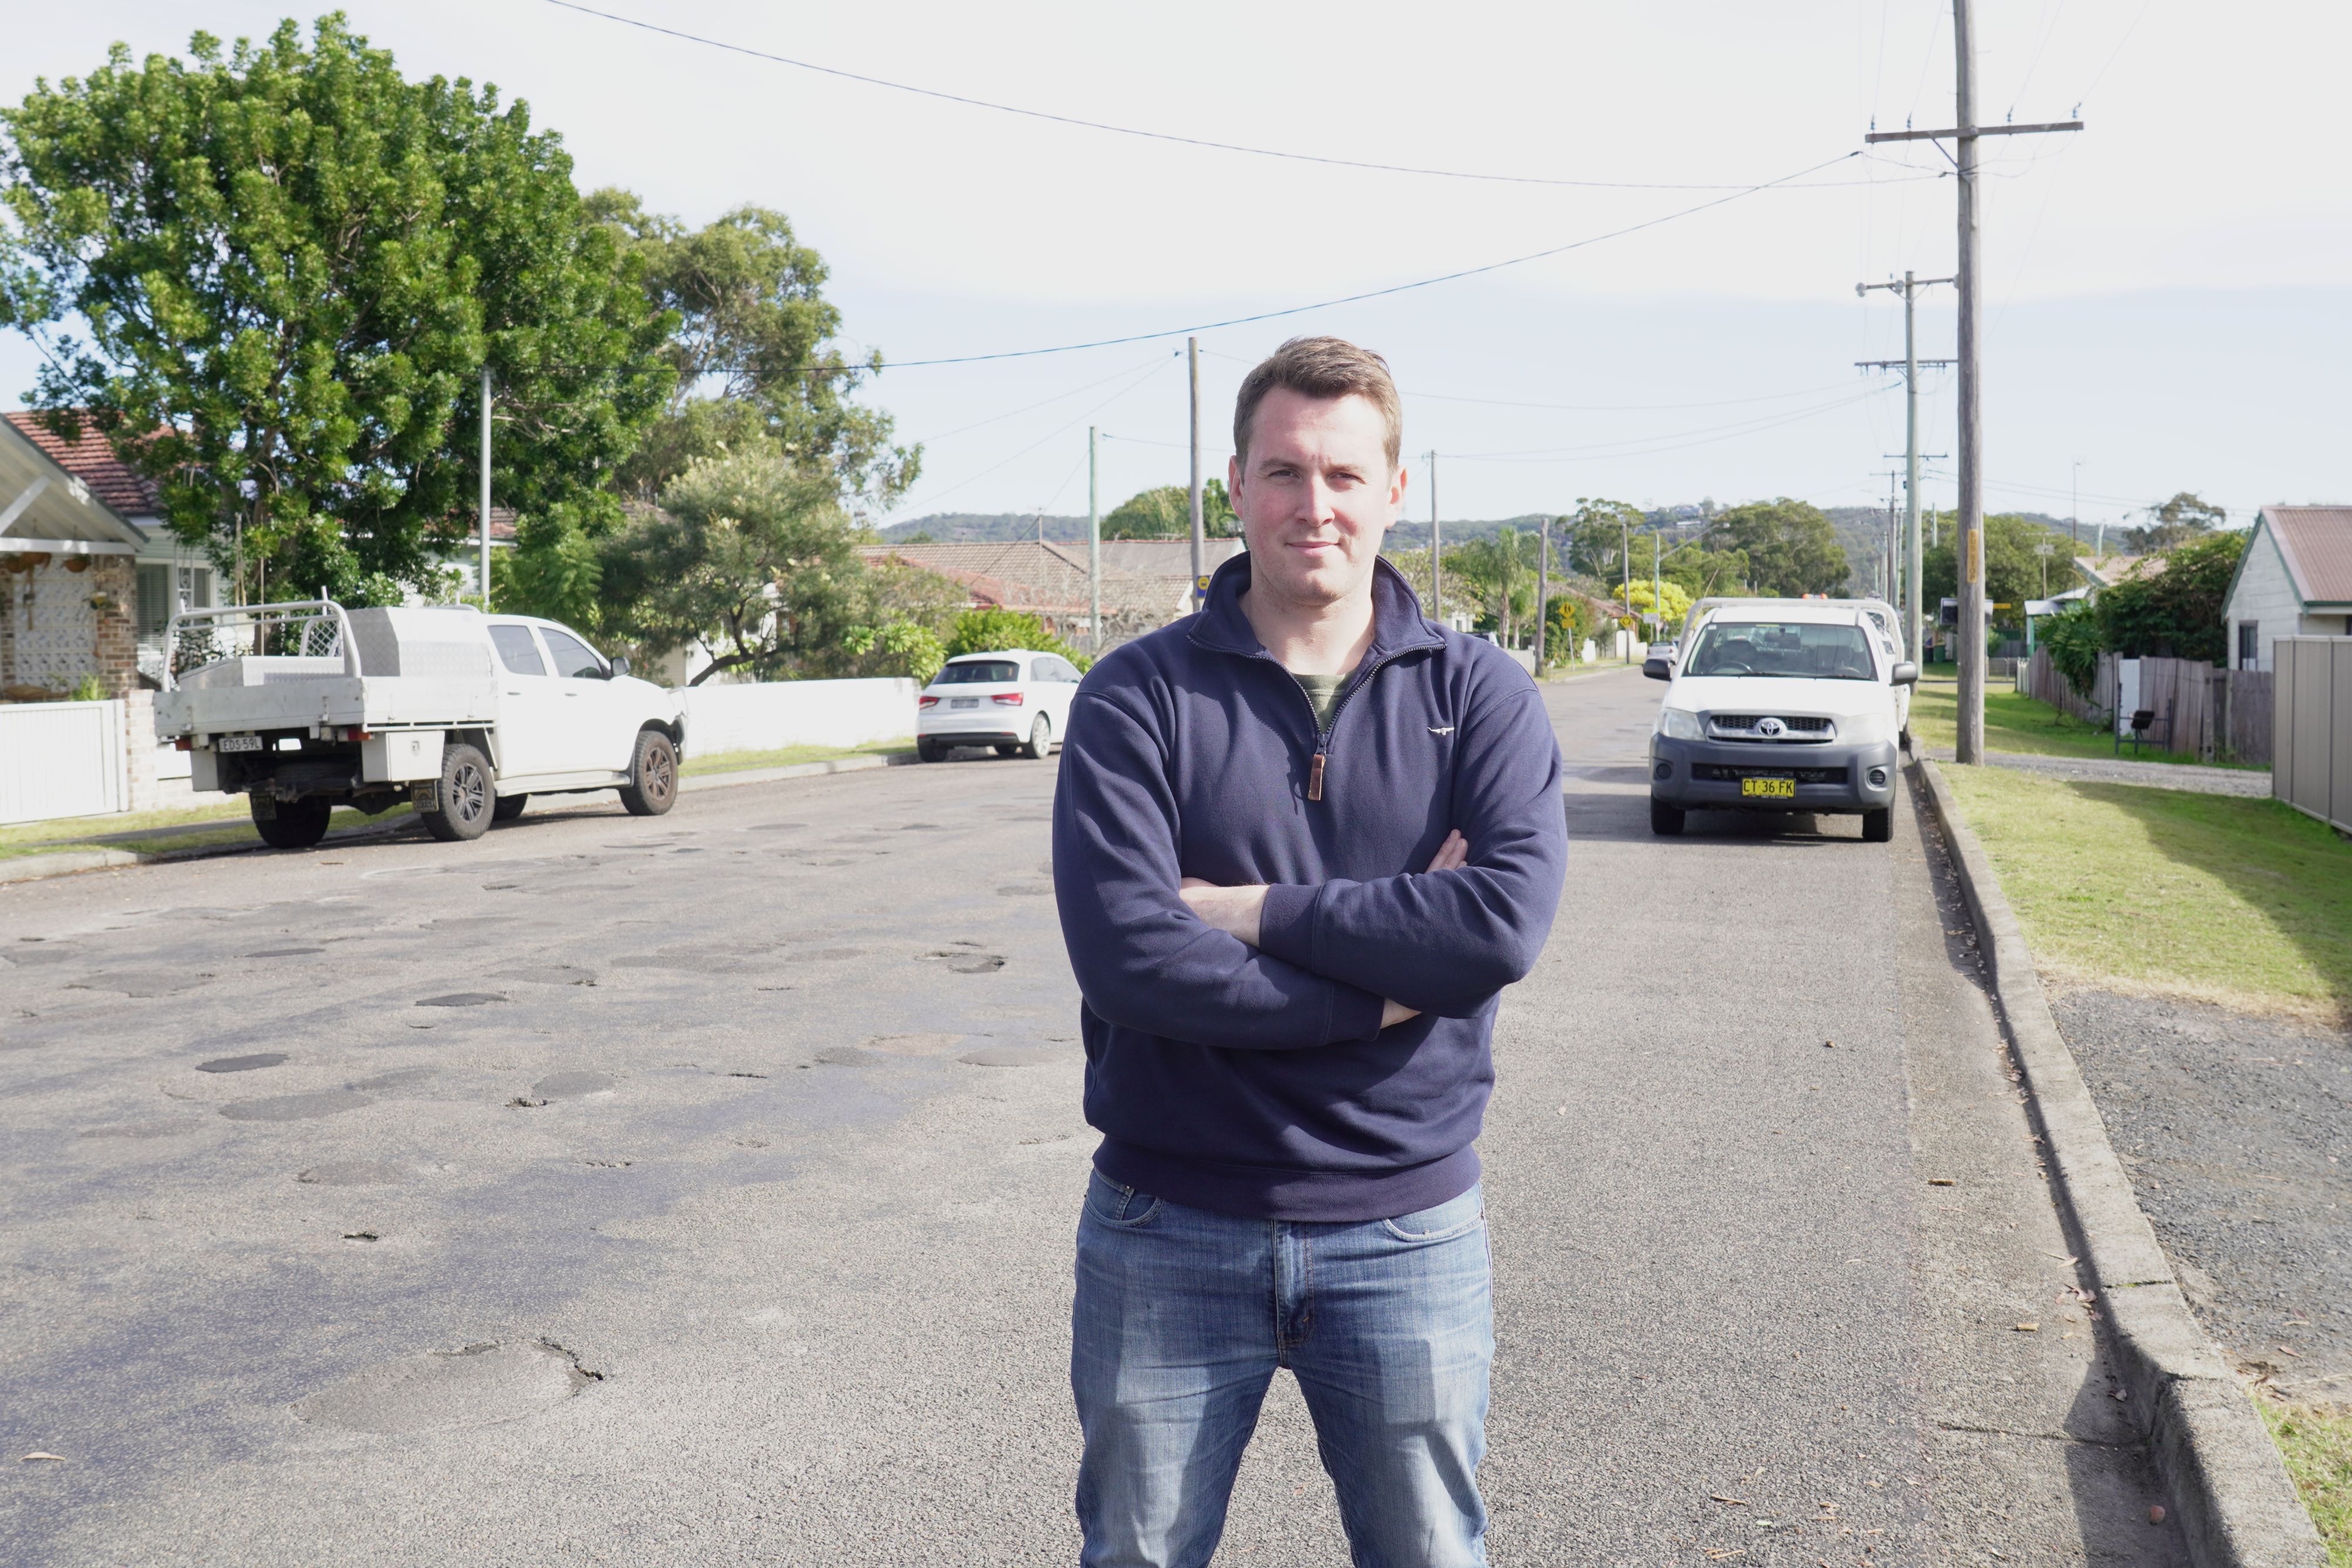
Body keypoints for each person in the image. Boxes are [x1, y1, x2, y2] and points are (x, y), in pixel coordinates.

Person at [1050, 336, 1568, 1567]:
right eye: (1283, 471)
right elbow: (1129, 957)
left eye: (1344, 474)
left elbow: (1495, 923)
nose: (1313, 504)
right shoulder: (1135, 697)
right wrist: (1393, 990)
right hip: (1165, 1220)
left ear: (1395, 490)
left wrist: (1250, 910)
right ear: (1233, 484)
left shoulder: (1482, 694)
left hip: (1405, 1229)